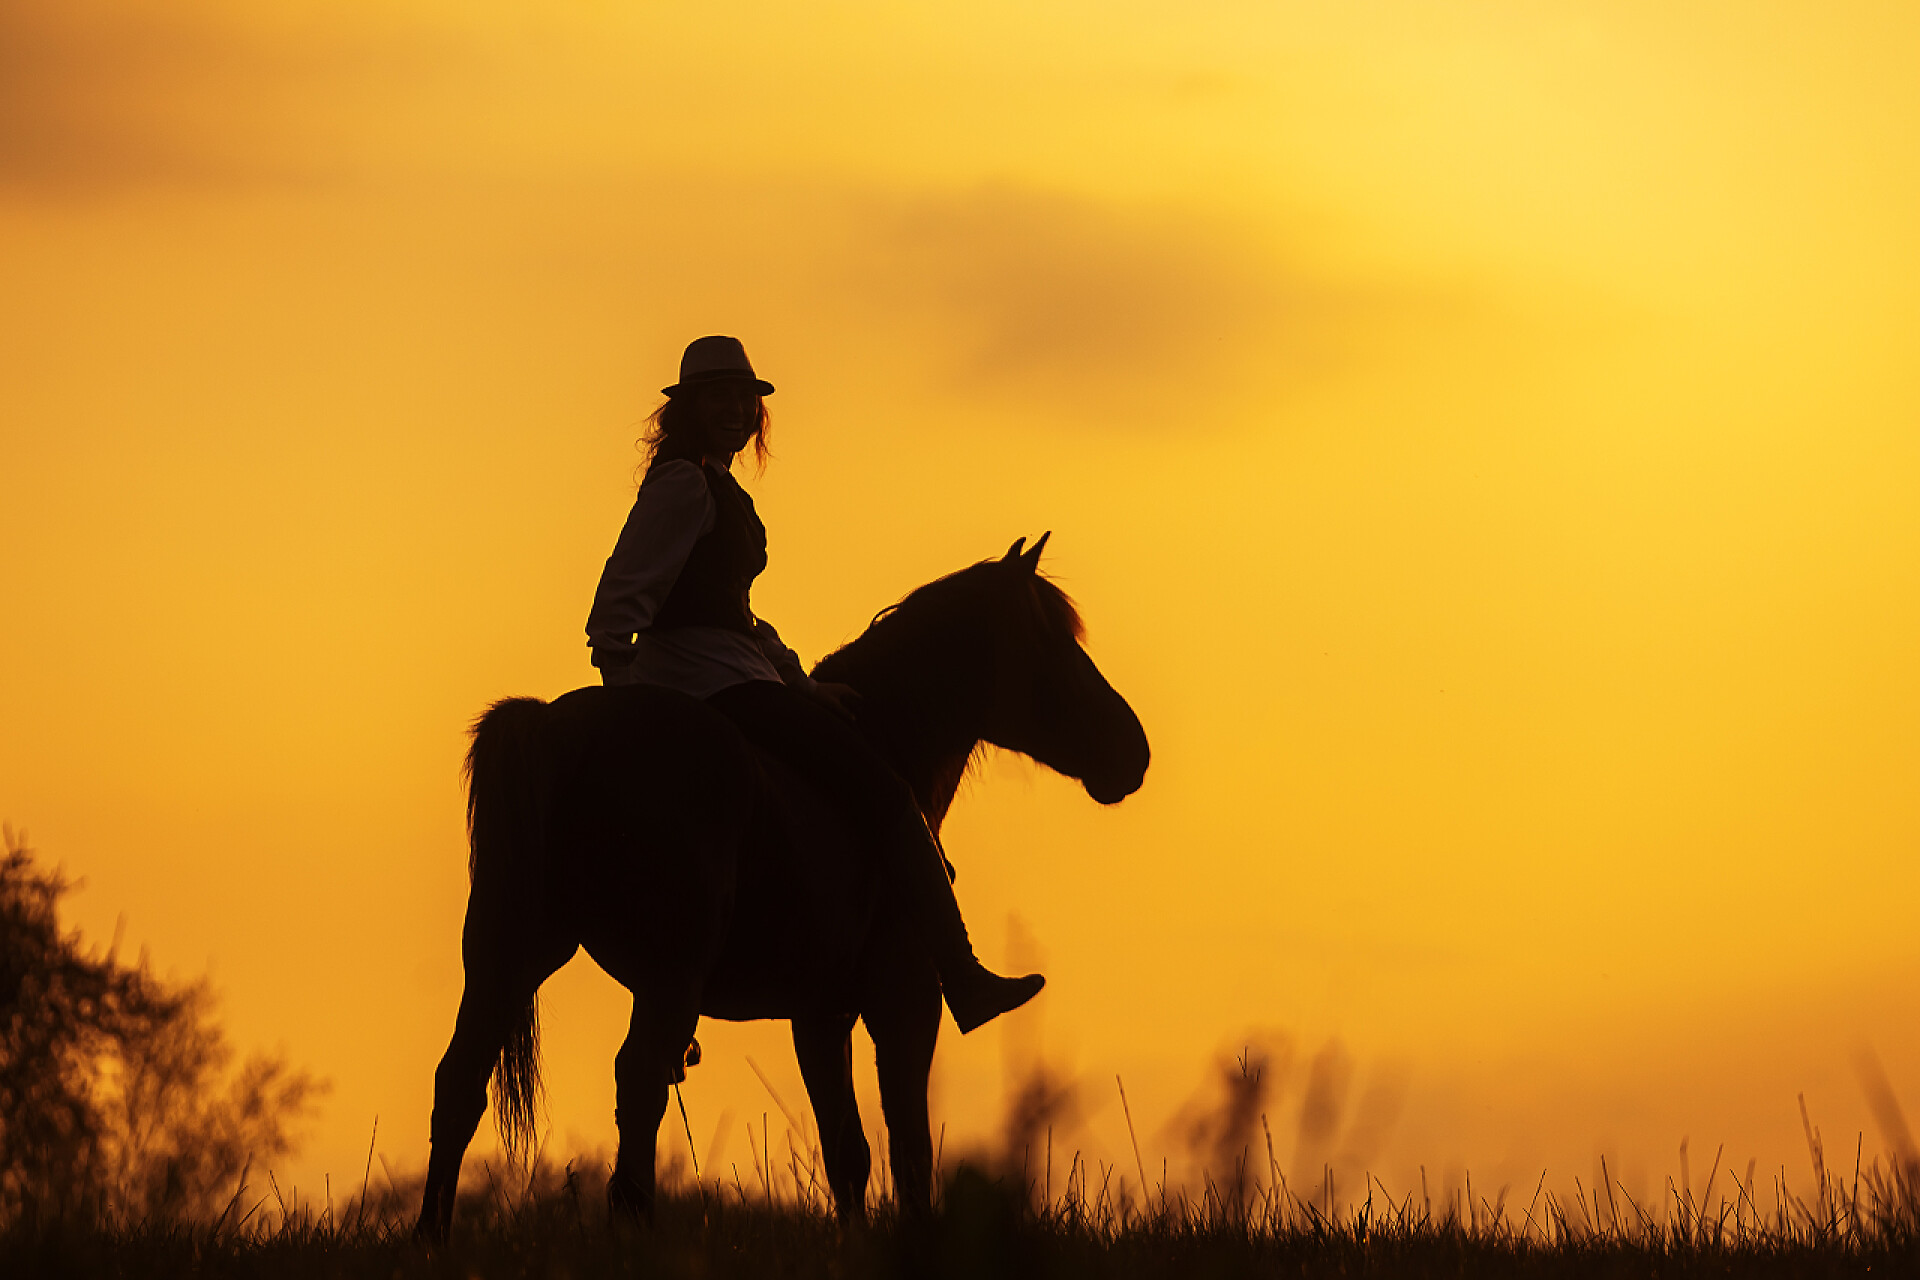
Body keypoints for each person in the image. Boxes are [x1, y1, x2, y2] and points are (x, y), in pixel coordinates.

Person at [585, 335, 1044, 1033]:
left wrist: (799, 681)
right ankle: (963, 976)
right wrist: (625, 689)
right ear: (688, 408)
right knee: (887, 794)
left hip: (729, 668)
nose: (737, 409)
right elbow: (622, 596)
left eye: (745, 399)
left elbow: (734, 609)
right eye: (721, 397)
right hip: (713, 681)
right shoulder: (685, 484)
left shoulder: (710, 482)